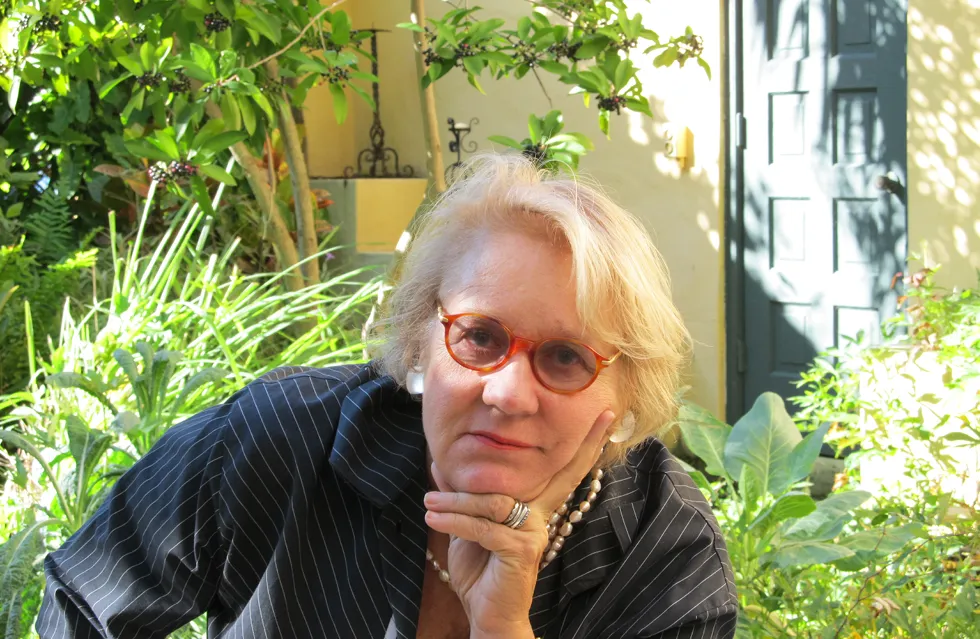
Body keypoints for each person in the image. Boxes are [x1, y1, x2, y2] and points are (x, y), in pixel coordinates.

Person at [37, 153, 737, 638]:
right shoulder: (278, 440)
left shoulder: (665, 556)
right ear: (421, 336)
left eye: (564, 356)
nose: (506, 391)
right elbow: (84, 603)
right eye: (481, 336)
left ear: (627, 388)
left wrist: (502, 626)